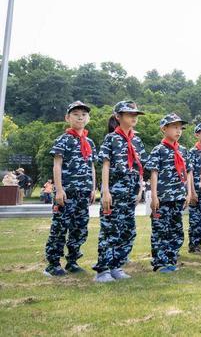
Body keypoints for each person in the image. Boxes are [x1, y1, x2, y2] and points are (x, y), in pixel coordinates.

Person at [93, 100, 147, 282]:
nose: (134, 117)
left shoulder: (137, 140)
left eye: (135, 115)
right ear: (118, 117)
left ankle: (117, 266)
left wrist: (140, 187)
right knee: (110, 230)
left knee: (127, 230)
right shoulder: (112, 139)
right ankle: (103, 270)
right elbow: (106, 165)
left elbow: (140, 166)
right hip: (115, 191)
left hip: (131, 191)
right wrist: (105, 191)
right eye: (129, 114)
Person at [43, 101, 97, 277]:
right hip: (66, 192)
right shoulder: (63, 140)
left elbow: (91, 166)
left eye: (83, 114)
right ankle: (53, 264)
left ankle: (72, 261)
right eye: (76, 114)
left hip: (83, 192)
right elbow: (57, 165)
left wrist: (92, 188)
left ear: (88, 118)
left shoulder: (89, 142)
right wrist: (58, 190)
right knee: (60, 227)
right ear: (67, 118)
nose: (80, 117)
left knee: (79, 228)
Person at [146, 113, 194, 272]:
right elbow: (154, 172)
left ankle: (171, 260)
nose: (178, 131)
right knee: (161, 231)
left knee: (175, 230)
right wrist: (153, 195)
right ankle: (160, 263)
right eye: (174, 127)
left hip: (178, 197)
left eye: (180, 128)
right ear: (164, 128)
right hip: (162, 197)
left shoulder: (183, 150)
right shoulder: (159, 150)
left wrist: (188, 193)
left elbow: (187, 173)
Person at [187, 123, 201, 253]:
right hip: (196, 190)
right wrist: (192, 192)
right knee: (196, 219)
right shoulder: (193, 152)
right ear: (197, 134)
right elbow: (189, 173)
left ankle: (200, 243)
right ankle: (194, 245)